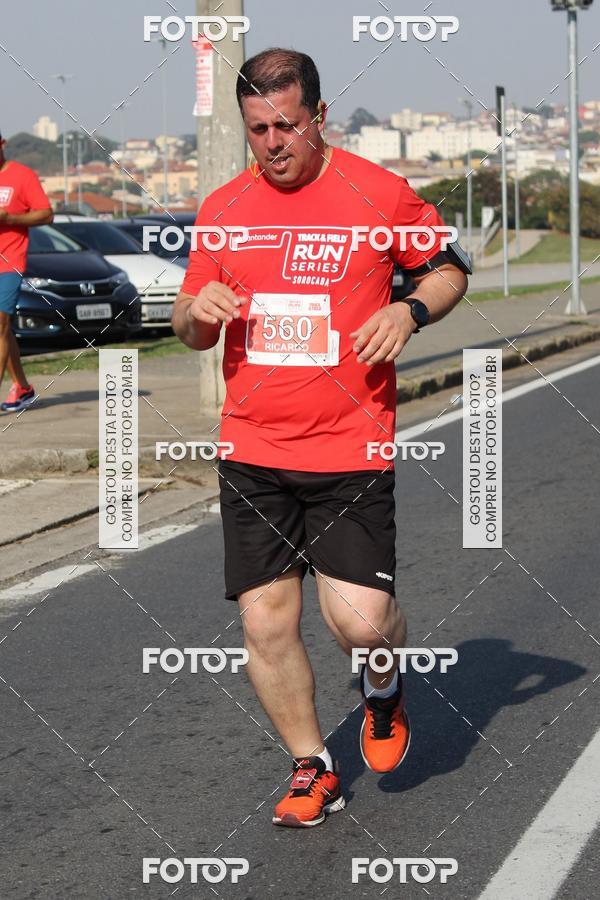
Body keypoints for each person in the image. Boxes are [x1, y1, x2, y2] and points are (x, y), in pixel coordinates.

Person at [172, 49, 469, 828]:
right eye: (257, 129)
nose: (272, 143)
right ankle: (313, 767)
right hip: (253, 448)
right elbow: (187, 329)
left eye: (286, 126)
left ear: (319, 117)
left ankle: (383, 689)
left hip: (348, 450)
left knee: (361, 622)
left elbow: (447, 267)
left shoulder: (377, 192)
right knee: (265, 618)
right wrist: (196, 313)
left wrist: (410, 311)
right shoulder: (224, 208)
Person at [0, 130, 53, 412]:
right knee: (3, 329)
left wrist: (10, 218)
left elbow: (46, 213)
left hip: (8, 261)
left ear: (2, 144)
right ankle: (22, 387)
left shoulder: (22, 176)